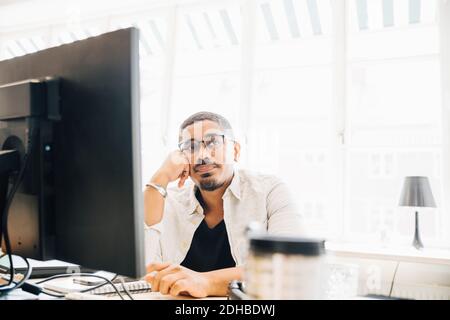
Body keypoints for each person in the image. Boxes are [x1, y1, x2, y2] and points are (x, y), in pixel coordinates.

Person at [143, 111, 303, 297]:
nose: (202, 155)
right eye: (191, 147)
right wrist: (160, 178)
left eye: (213, 142)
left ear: (235, 151)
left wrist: (206, 282)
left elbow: (290, 267)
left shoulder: (269, 191)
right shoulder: (168, 200)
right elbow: (141, 270)